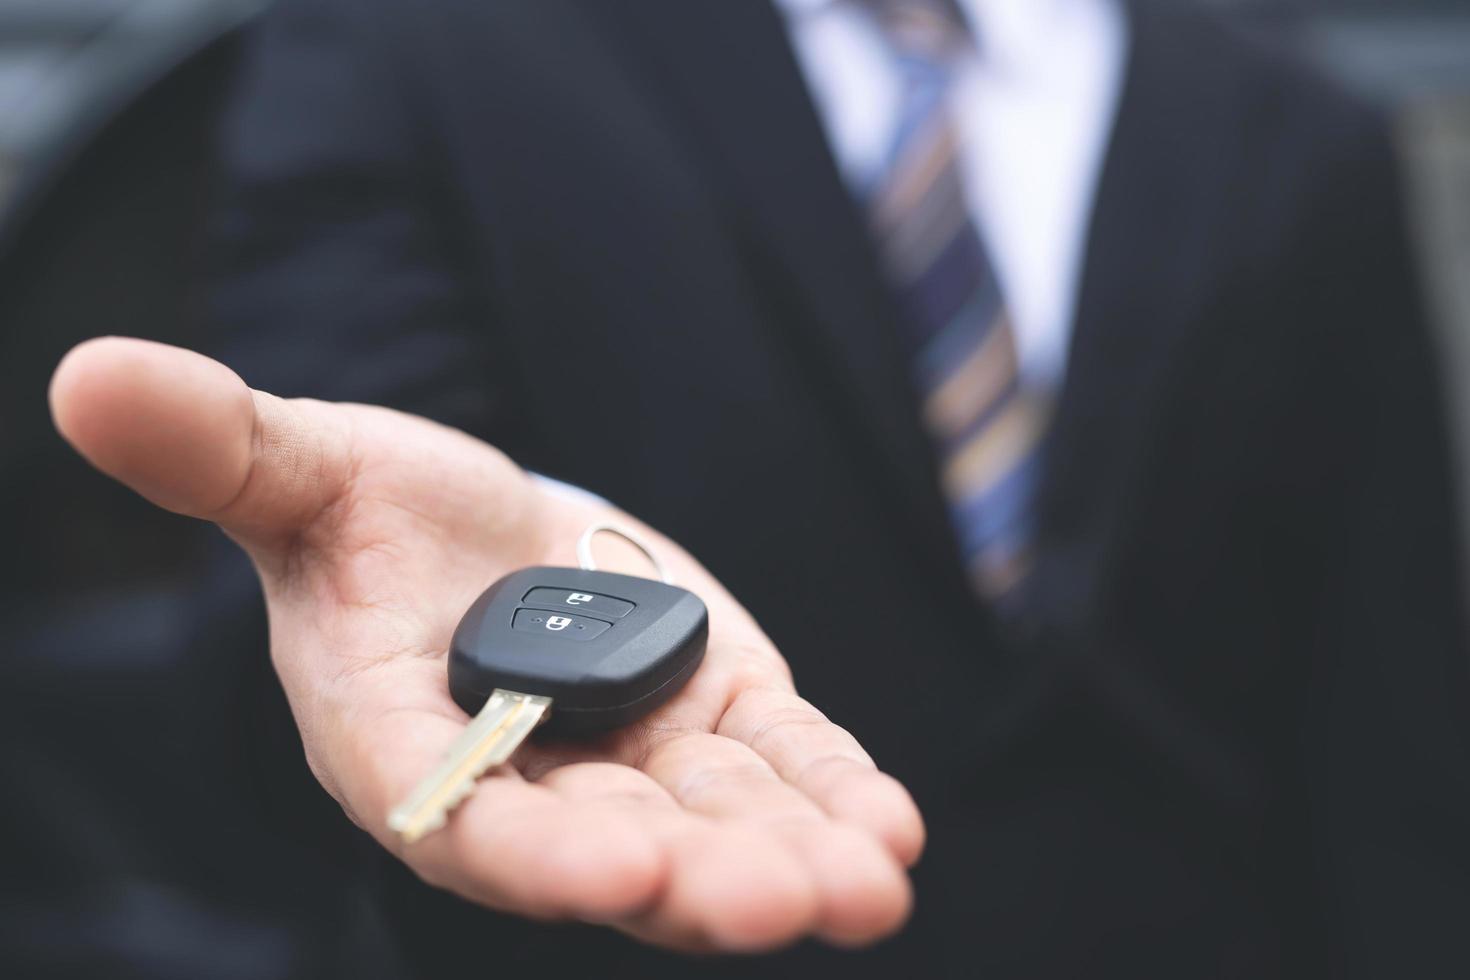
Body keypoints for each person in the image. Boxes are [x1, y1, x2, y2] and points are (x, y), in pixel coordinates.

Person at [51, 0, 1470, 976]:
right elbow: (313, 585)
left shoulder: (1297, 125)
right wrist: (422, 578)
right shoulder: (415, 34)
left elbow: (1386, 739)